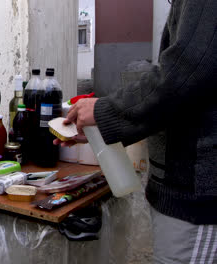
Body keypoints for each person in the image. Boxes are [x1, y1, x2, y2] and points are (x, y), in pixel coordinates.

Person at [57, 0, 217, 263]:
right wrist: (102, 124)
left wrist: (105, 112)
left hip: (197, 196)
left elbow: (184, 74)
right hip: (182, 190)